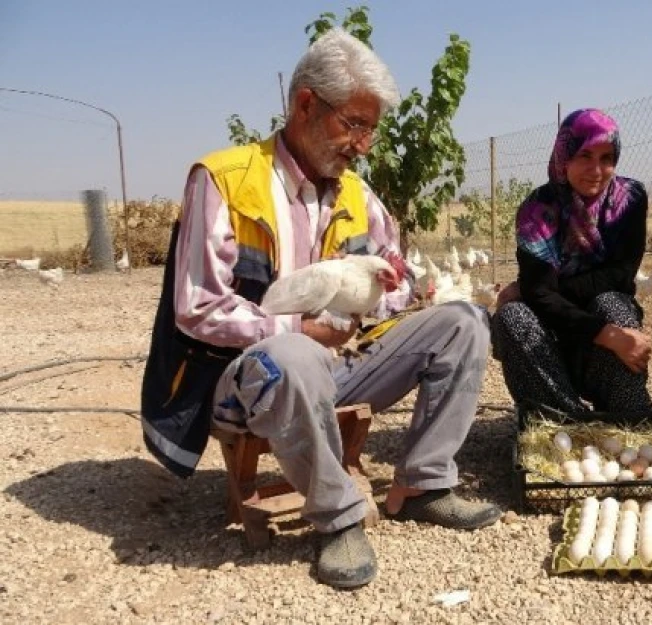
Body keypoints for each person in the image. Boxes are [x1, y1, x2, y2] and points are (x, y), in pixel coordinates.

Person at [139, 29, 501, 590]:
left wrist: (402, 294)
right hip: (247, 382)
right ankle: (336, 517)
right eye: (354, 124)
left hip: (340, 367)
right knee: (294, 353)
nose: (362, 144)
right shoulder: (224, 181)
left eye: (371, 130)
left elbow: (392, 278)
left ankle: (425, 483)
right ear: (306, 103)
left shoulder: (359, 196)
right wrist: (294, 327)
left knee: (465, 324)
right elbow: (196, 307)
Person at [490, 109, 652, 414]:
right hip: (552, 332)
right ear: (564, 157)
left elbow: (620, 275)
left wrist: (538, 289)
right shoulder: (537, 211)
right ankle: (562, 424)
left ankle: (627, 416)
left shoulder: (630, 199)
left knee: (613, 303)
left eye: (607, 158)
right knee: (512, 317)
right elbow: (540, 296)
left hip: (604, 325)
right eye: (585, 155)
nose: (596, 169)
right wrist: (605, 334)